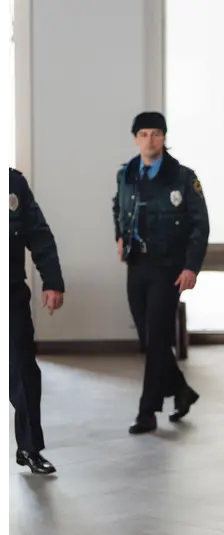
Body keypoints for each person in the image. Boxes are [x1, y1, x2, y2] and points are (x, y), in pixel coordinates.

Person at [112, 111, 210, 434]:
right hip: (136, 264)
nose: (150, 139)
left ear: (164, 137)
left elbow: (199, 225)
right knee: (147, 337)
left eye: (156, 133)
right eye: (143, 134)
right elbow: (118, 206)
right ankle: (181, 390)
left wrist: (191, 266)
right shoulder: (127, 173)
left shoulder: (182, 177)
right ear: (135, 138)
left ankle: (147, 411)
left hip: (168, 268)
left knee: (157, 340)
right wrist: (120, 236)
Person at [7, 167, 65, 474]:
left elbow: (39, 234)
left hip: (11, 294)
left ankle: (29, 448)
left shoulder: (14, 184)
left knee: (24, 369)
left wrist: (52, 281)